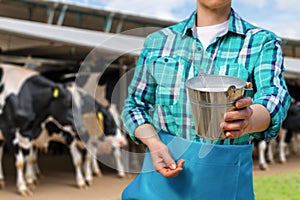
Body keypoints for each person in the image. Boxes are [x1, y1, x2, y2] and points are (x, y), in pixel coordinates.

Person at [121, 0, 291, 199]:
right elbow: (135, 106)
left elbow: (274, 97)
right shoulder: (158, 42)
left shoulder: (262, 42)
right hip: (159, 182)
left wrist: (249, 120)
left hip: (223, 185)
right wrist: (154, 144)